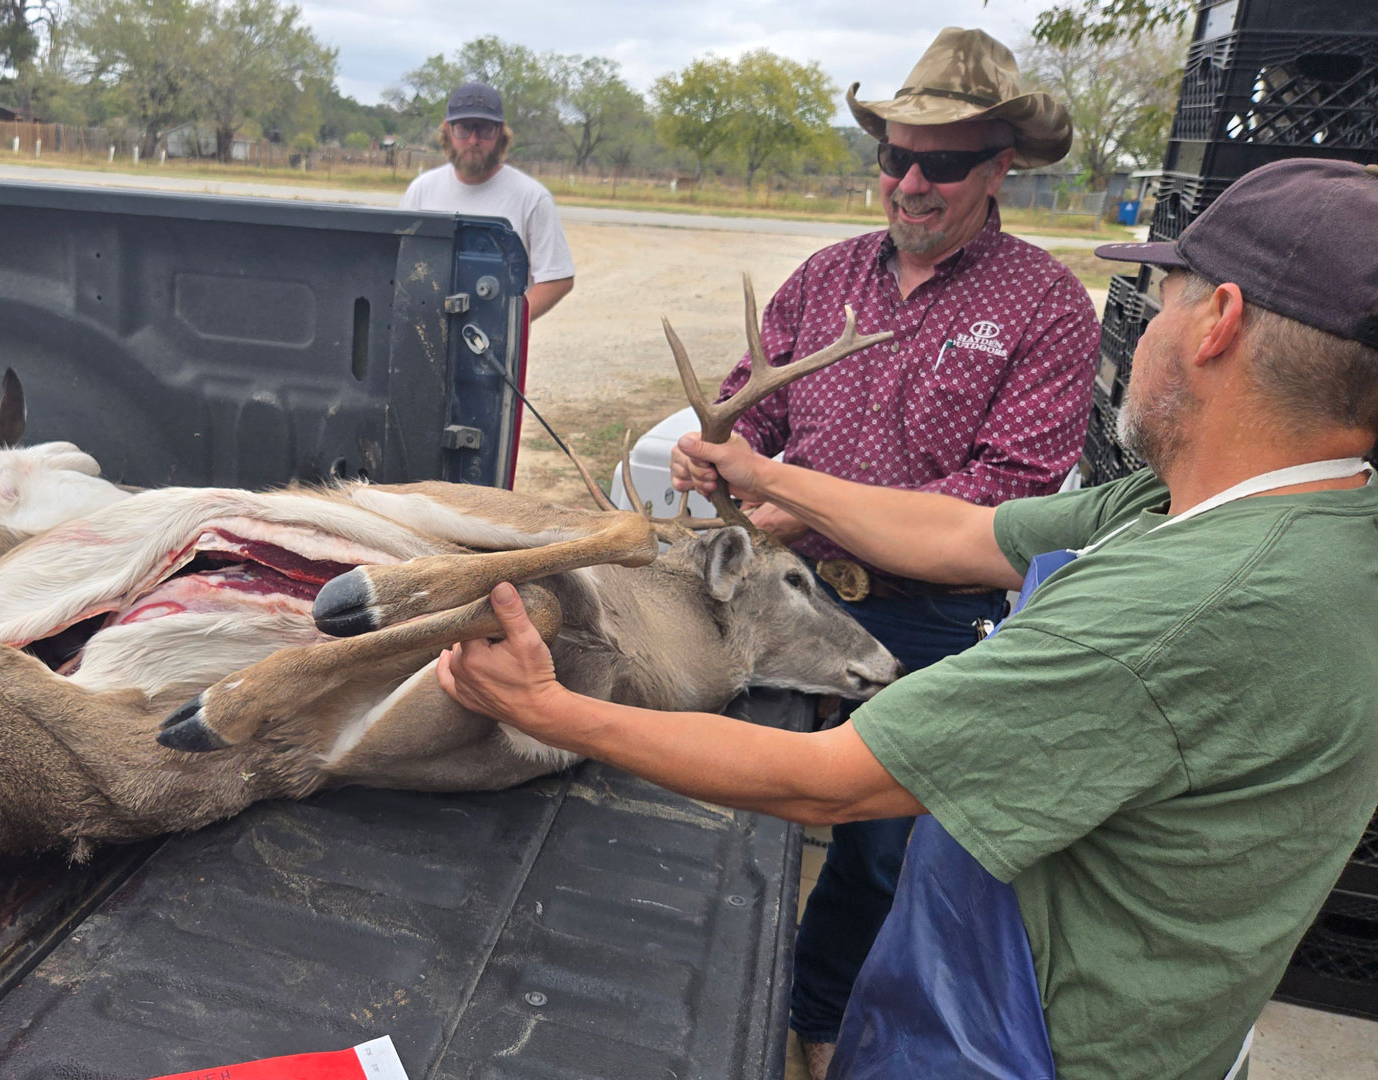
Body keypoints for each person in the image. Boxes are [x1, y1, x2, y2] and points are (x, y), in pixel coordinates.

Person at [435, 156, 1378, 1080]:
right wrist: (767, 474)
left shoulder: (1182, 609)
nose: (1143, 327)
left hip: (1030, 1044)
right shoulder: (1260, 510)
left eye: (1164, 296)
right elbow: (968, 535)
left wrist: (553, 710)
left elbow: (823, 783)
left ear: (1218, 322)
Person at [691, 28, 1097, 1074]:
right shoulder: (826, 276)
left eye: (944, 163)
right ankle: (704, 996)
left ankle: (816, 1027)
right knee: (723, 795)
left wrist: (795, 506)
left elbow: (998, 502)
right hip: (782, 592)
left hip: (927, 611)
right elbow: (757, 412)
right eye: (894, 157)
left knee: (877, 851)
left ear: (1000, 166)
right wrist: (720, 451)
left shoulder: (1045, 308)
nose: (910, 182)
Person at [399, 81, 575, 321]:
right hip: (429, 333)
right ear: (448, 132)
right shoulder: (421, 190)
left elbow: (557, 278)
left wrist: (508, 322)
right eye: (463, 128)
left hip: (494, 351)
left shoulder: (532, 197)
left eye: (484, 129)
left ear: (501, 133)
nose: (473, 140)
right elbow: (403, 265)